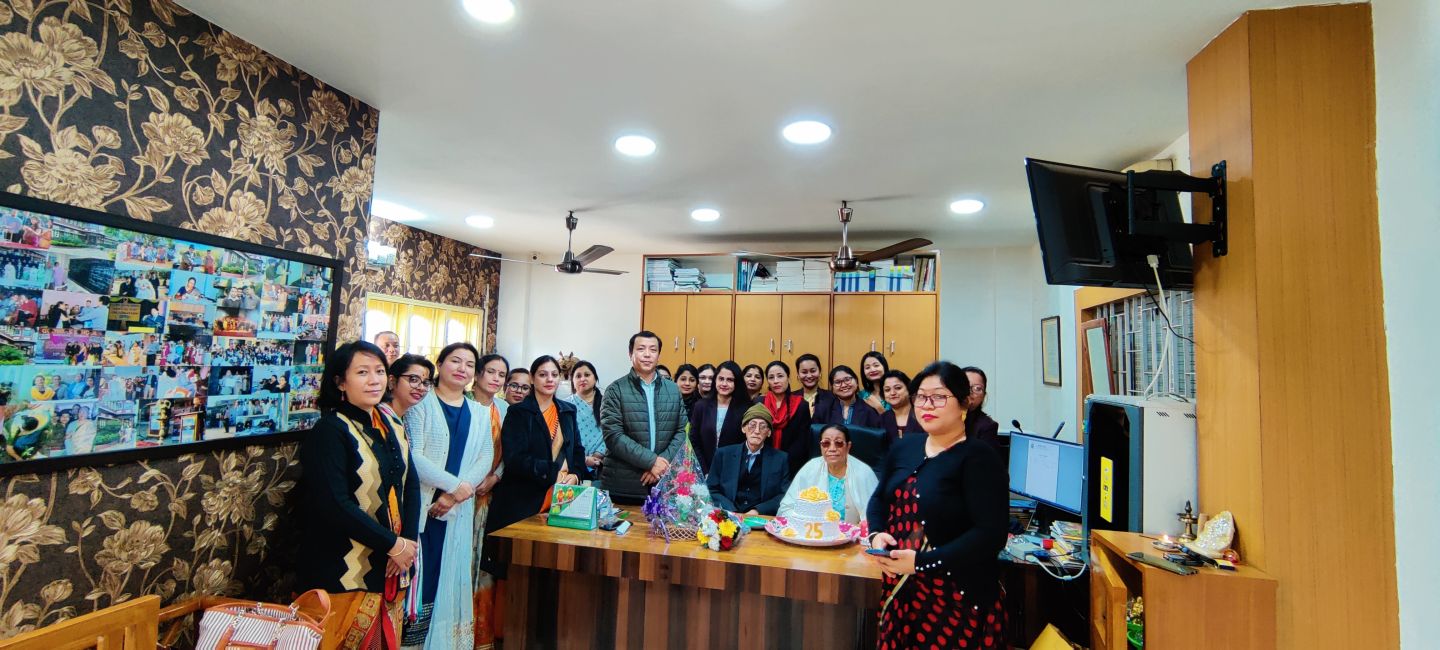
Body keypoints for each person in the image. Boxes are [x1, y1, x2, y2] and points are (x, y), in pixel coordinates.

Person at [865, 362, 1009, 648]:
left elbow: (991, 535)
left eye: (939, 397)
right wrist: (876, 534)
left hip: (956, 595)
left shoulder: (979, 457)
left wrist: (921, 563)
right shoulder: (905, 446)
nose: (927, 405)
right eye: (921, 396)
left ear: (964, 403)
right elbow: (879, 498)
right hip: (902, 587)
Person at [296, 341, 419, 648]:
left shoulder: (391, 423)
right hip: (342, 567)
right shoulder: (331, 430)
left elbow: (411, 484)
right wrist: (392, 544)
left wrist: (406, 544)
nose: (374, 380)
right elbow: (334, 504)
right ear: (340, 382)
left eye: (379, 371)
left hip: (392, 562)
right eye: (362, 372)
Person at [400, 342, 496, 648]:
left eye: (469, 364)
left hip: (458, 510)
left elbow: (485, 456)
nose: (462, 368)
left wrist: (455, 495)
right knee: (423, 581)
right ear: (439, 364)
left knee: (452, 575)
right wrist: (455, 486)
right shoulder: (421, 404)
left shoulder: (479, 412)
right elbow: (413, 456)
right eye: (455, 361)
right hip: (424, 509)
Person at [599, 331, 687, 504]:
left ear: (658, 355)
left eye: (653, 350)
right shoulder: (615, 390)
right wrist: (651, 462)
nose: (647, 354)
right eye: (641, 349)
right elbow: (613, 436)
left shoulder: (673, 390)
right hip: (625, 486)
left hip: (664, 485)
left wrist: (661, 465)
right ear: (630, 354)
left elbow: (682, 431)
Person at [779, 424, 878, 525]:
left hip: (853, 533)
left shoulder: (864, 473)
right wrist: (805, 523)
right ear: (820, 446)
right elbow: (786, 508)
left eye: (839, 443)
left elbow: (877, 514)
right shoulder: (810, 468)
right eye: (826, 443)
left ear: (848, 446)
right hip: (813, 532)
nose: (832, 448)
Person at [706, 403, 790, 515]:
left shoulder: (780, 459)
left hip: (761, 518)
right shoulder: (723, 454)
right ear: (743, 428)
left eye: (763, 426)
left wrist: (758, 510)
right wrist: (732, 511)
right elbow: (711, 489)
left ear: (769, 432)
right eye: (752, 425)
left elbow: (785, 495)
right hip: (728, 515)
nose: (757, 431)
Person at [688, 360, 748, 473]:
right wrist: (704, 471)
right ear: (715, 380)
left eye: (730, 380)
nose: (724, 384)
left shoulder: (745, 409)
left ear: (737, 382)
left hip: (734, 470)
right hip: (704, 468)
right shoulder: (701, 406)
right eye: (721, 379)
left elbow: (746, 444)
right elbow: (694, 441)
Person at [760, 360, 813, 476]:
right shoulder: (759, 403)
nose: (776, 381)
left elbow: (803, 441)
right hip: (761, 461)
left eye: (780, 376)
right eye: (771, 377)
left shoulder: (801, 405)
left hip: (791, 464)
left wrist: (783, 461)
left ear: (788, 378)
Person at [564, 360, 605, 476]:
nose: (582, 379)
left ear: (595, 378)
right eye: (578, 376)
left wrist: (598, 455)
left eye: (587, 375)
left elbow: (614, 431)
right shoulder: (564, 405)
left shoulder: (607, 403)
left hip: (602, 465)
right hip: (572, 465)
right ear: (572, 381)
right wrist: (584, 459)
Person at [812, 365, 883, 429]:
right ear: (832, 388)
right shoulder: (823, 409)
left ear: (856, 382)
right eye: (837, 382)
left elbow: (877, 435)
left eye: (847, 379)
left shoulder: (869, 409)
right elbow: (815, 434)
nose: (843, 385)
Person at [879, 370, 925, 445]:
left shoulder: (923, 414)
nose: (892, 393)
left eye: (898, 388)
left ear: (908, 389)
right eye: (887, 390)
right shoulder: (881, 420)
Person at [961, 366, 1002, 450]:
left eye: (977, 388)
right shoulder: (941, 417)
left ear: (983, 396)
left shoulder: (987, 426)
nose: (970, 392)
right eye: (965, 385)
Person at [386, 354, 434, 419]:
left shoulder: (406, 419)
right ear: (392, 381)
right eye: (413, 380)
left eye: (426, 383)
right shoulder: (377, 417)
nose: (421, 388)